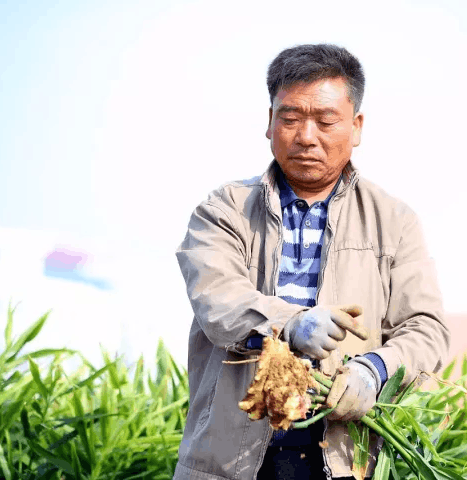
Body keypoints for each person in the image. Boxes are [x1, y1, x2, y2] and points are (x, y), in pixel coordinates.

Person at [173, 43, 450, 480]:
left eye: (325, 121)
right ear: (269, 122)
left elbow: (426, 329)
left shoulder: (394, 220)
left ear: (356, 127)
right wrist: (292, 323)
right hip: (230, 460)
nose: (306, 136)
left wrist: (374, 371)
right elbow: (217, 300)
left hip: (345, 456)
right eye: (290, 118)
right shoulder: (223, 209)